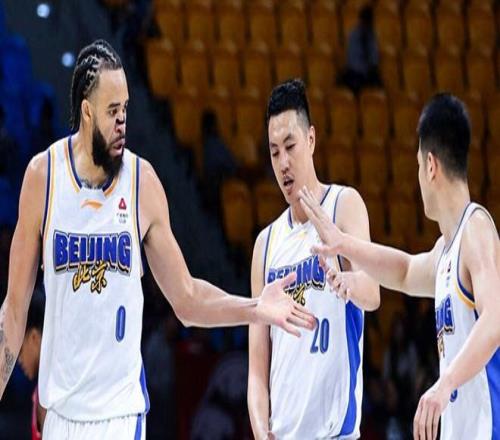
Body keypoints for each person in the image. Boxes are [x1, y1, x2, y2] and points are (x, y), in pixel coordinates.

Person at [0, 39, 316, 439]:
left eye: (126, 109)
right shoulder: (43, 178)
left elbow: (187, 299)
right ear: (86, 111)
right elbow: (14, 313)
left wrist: (256, 308)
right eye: (112, 111)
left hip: (120, 417)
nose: (122, 122)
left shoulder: (142, 182)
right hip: (60, 415)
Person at [299, 93, 500, 440]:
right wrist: (343, 243)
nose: (418, 177)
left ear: (431, 166)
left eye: (418, 166)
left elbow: (495, 320)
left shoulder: (476, 228)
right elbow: (404, 271)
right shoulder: (446, 251)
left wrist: (444, 383)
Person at [247, 79, 380, 439]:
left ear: (311, 139)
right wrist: (260, 430)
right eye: (274, 152)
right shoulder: (265, 244)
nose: (283, 163)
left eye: (290, 146)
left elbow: (372, 293)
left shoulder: (344, 205)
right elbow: (257, 368)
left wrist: (345, 283)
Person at [18, 287, 46, 440]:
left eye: (20, 350)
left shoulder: (48, 394)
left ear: (34, 337)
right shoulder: (40, 391)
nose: (19, 360)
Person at [338, 5, 381, 94]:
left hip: (368, 73)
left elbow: (374, 58)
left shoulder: (371, 35)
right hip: (356, 72)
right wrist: (364, 71)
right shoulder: (354, 36)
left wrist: (370, 68)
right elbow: (352, 61)